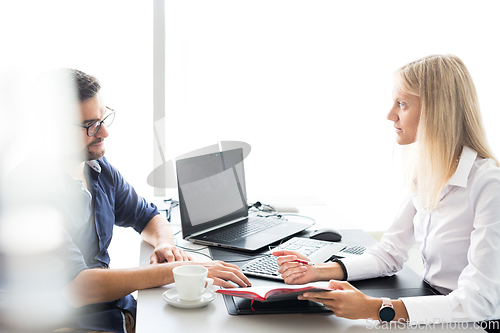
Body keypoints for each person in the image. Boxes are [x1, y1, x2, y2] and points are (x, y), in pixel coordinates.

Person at [273, 54, 500, 326]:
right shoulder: (428, 174)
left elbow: (480, 302)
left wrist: (376, 308)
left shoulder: (489, 186)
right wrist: (316, 271)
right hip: (435, 312)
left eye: (402, 104)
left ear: (437, 111)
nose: (390, 114)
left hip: (475, 323)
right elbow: (390, 253)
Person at [57, 69, 251, 333]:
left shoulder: (97, 168)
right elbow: (79, 287)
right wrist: (181, 269)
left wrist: (165, 245)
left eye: (103, 119)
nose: (104, 132)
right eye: (90, 125)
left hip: (119, 311)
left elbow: (148, 216)